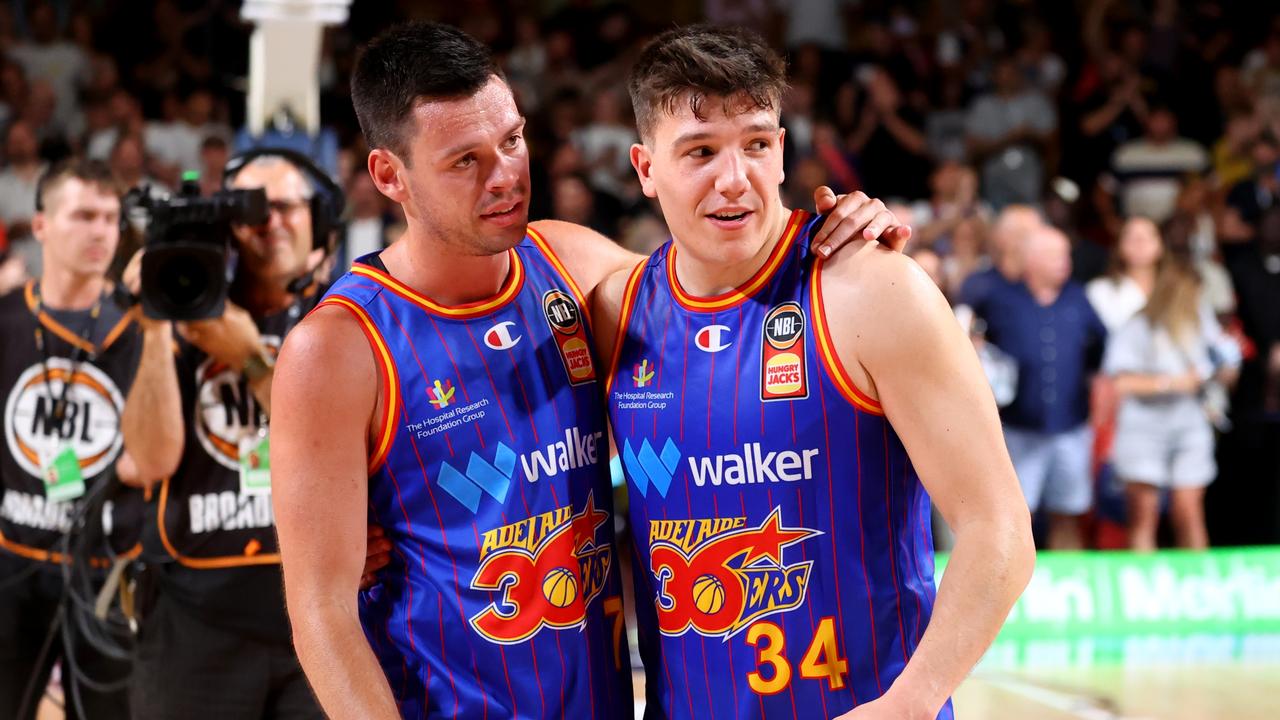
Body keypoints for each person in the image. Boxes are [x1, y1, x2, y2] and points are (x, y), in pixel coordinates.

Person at [269, 21, 909, 720]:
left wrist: (833, 232)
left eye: (512, 140)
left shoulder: (574, 266)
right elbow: (321, 615)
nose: (506, 176)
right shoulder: (335, 348)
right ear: (390, 175)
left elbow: (719, 298)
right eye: (465, 162)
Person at [593, 25, 1033, 719]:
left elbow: (1000, 530)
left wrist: (910, 704)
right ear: (646, 169)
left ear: (782, 150)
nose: (734, 178)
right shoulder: (615, 309)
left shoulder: (871, 287)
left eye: (757, 144)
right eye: (701, 152)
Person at [119, 149, 340, 719]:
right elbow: (149, 461)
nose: (268, 222)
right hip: (194, 622)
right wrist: (151, 320)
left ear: (320, 221)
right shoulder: (179, 311)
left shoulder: (345, 320)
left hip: (320, 618)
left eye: (285, 207)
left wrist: (251, 361)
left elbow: (350, 459)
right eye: (249, 211)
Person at [0, 159, 144, 719]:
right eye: (83, 215)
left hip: (105, 569)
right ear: (40, 227)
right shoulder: (9, 317)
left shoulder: (138, 325)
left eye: (111, 217)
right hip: (13, 559)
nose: (101, 231)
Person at [974, 225, 1108, 549]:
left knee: (1069, 511)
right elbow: (974, 338)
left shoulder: (1077, 296)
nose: (1064, 262)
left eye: (1065, 255)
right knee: (1017, 517)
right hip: (1019, 427)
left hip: (1071, 425)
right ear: (1030, 260)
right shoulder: (999, 297)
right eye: (1054, 256)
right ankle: (1023, 591)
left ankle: (1069, 584)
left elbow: (1101, 342)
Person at [1104, 261, 1240, 550]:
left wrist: (1227, 369)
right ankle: (1142, 584)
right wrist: (1172, 383)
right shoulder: (1139, 326)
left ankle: (1199, 584)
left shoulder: (1200, 322)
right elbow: (1121, 382)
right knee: (1144, 513)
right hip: (1143, 427)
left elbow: (1219, 364)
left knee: (1188, 510)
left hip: (1189, 423)